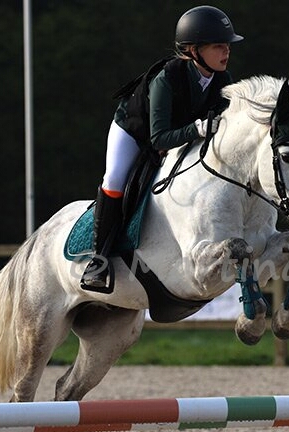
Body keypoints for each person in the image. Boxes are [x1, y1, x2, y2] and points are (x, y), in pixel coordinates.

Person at [81, 5, 243, 292]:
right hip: (135, 131)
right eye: (218, 46)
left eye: (227, 45)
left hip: (177, 134)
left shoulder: (223, 80)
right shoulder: (166, 79)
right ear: (193, 50)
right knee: (115, 179)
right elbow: (159, 139)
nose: (226, 51)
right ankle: (98, 261)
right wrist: (196, 129)